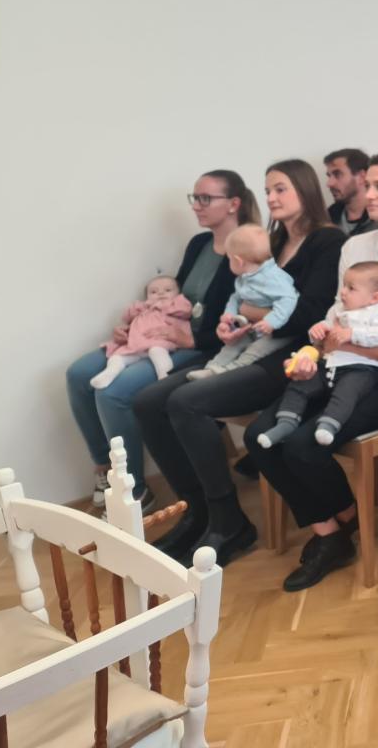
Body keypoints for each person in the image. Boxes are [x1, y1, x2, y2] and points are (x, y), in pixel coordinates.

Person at [241, 154, 378, 591]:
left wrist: (346, 343)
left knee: (303, 444)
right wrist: (314, 349)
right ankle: (332, 529)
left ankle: (341, 523)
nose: (368, 194)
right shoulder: (356, 247)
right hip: (344, 364)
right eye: (367, 185)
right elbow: (336, 314)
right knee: (259, 435)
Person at [135, 160, 345, 568]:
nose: (271, 198)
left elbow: (311, 316)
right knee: (147, 402)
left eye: (280, 189)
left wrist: (248, 313)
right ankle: (198, 511)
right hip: (253, 342)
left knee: (186, 402)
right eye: (268, 190)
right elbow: (242, 296)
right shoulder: (271, 240)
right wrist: (232, 321)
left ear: (305, 190)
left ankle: (227, 520)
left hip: (295, 358)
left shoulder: (328, 241)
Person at [67, 170, 256, 511]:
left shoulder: (247, 249)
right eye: (194, 198)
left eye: (205, 198)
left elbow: (240, 320)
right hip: (166, 334)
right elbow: (175, 296)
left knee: (112, 392)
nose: (196, 206)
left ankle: (134, 492)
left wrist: (189, 337)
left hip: (206, 348)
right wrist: (134, 325)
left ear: (233, 204)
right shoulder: (199, 244)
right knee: (79, 374)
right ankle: (106, 469)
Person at [255, 261, 378, 450]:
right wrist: (318, 330)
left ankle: (328, 425)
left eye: (351, 288)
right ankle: (286, 423)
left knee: (346, 393)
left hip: (360, 368)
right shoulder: (337, 310)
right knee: (299, 385)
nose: (343, 292)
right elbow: (325, 328)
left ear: (375, 298)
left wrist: (353, 334)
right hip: (328, 364)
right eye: (344, 285)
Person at [186, 224, 299, 379]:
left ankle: (231, 371)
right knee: (232, 344)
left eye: (229, 259)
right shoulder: (245, 278)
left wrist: (271, 322)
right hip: (252, 325)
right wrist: (229, 314)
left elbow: (289, 299)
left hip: (276, 331)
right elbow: (236, 297)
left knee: (255, 351)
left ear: (238, 261)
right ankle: (212, 368)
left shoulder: (273, 278)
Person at [90, 276, 195, 388]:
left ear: (178, 294)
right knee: (116, 357)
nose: (161, 294)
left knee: (157, 352)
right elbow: (127, 317)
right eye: (153, 292)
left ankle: (164, 377)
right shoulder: (144, 309)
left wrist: (162, 304)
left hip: (160, 340)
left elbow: (186, 310)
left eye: (168, 290)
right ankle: (110, 373)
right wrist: (142, 307)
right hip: (136, 344)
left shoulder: (176, 306)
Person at [324, 148, 375, 238]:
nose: (329, 183)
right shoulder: (327, 218)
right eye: (329, 176)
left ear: (362, 177)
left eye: (337, 174)